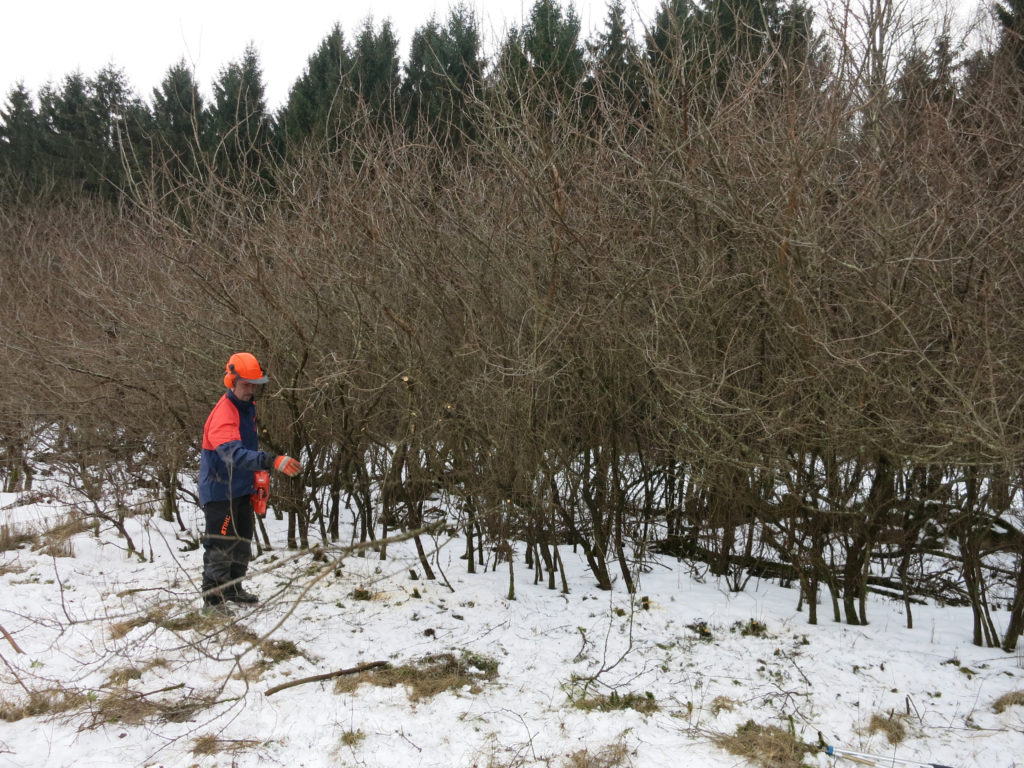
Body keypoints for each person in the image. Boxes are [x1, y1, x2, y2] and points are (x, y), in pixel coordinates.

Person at [198, 352, 301, 608]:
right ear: (231, 381)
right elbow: (232, 453)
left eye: (255, 384)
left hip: (241, 489)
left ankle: (233, 589)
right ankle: (213, 602)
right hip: (220, 492)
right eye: (246, 384)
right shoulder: (225, 413)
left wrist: (258, 481)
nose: (251, 389)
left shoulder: (247, 408)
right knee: (220, 547)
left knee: (241, 542)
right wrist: (271, 460)